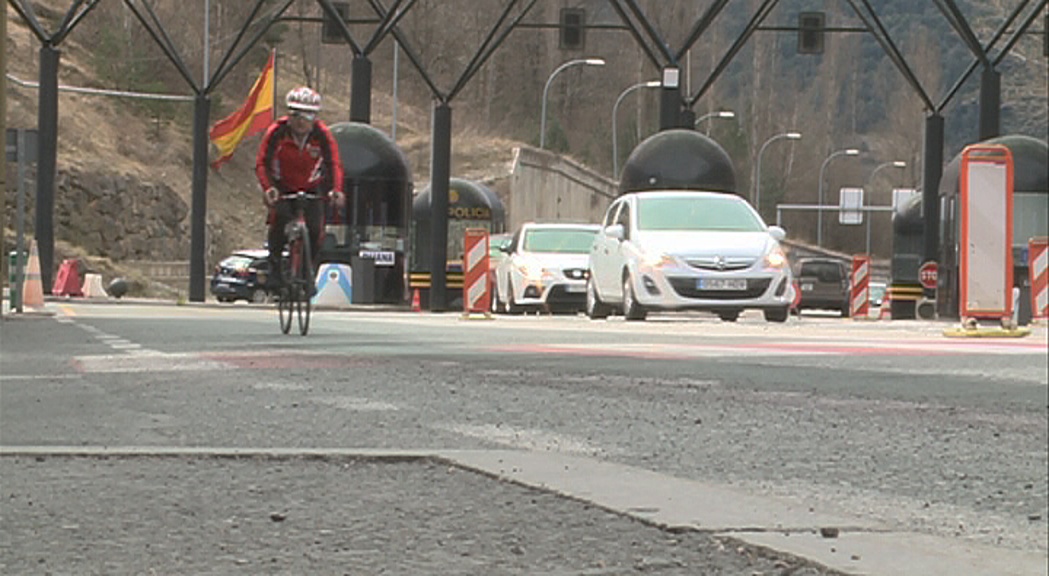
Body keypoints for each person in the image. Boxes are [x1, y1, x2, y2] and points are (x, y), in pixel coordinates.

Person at [256, 86, 345, 290]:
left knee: (316, 229)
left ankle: (307, 271)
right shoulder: (276, 132)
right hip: (282, 185)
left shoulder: (322, 135)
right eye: (295, 114)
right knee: (279, 220)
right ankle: (275, 264)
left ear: (314, 117)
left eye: (307, 115)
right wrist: (269, 188)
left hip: (312, 186)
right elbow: (262, 163)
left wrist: (336, 190)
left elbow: (334, 164)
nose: (300, 120)